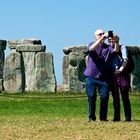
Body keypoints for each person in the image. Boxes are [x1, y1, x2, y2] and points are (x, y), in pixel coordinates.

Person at [84, 29, 119, 121]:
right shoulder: (91, 44)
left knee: (104, 96)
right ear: (95, 36)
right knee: (91, 96)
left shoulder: (107, 47)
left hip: (103, 77)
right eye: (100, 34)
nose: (102, 35)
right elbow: (92, 49)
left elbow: (116, 50)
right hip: (91, 76)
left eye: (103, 34)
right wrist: (102, 38)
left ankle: (103, 117)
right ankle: (91, 117)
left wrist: (116, 41)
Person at [108, 35, 131, 122]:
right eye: (109, 40)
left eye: (112, 39)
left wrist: (121, 69)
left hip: (122, 74)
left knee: (125, 97)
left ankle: (127, 117)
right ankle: (117, 116)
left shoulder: (122, 47)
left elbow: (125, 59)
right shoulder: (109, 49)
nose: (111, 41)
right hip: (112, 74)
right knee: (115, 97)